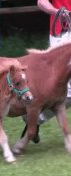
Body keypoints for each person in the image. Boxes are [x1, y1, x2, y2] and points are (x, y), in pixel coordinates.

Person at [21, 0, 71, 143]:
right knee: (65, 88)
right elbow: (41, 2)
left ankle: (34, 119)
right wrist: (57, 12)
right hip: (62, 32)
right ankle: (34, 118)